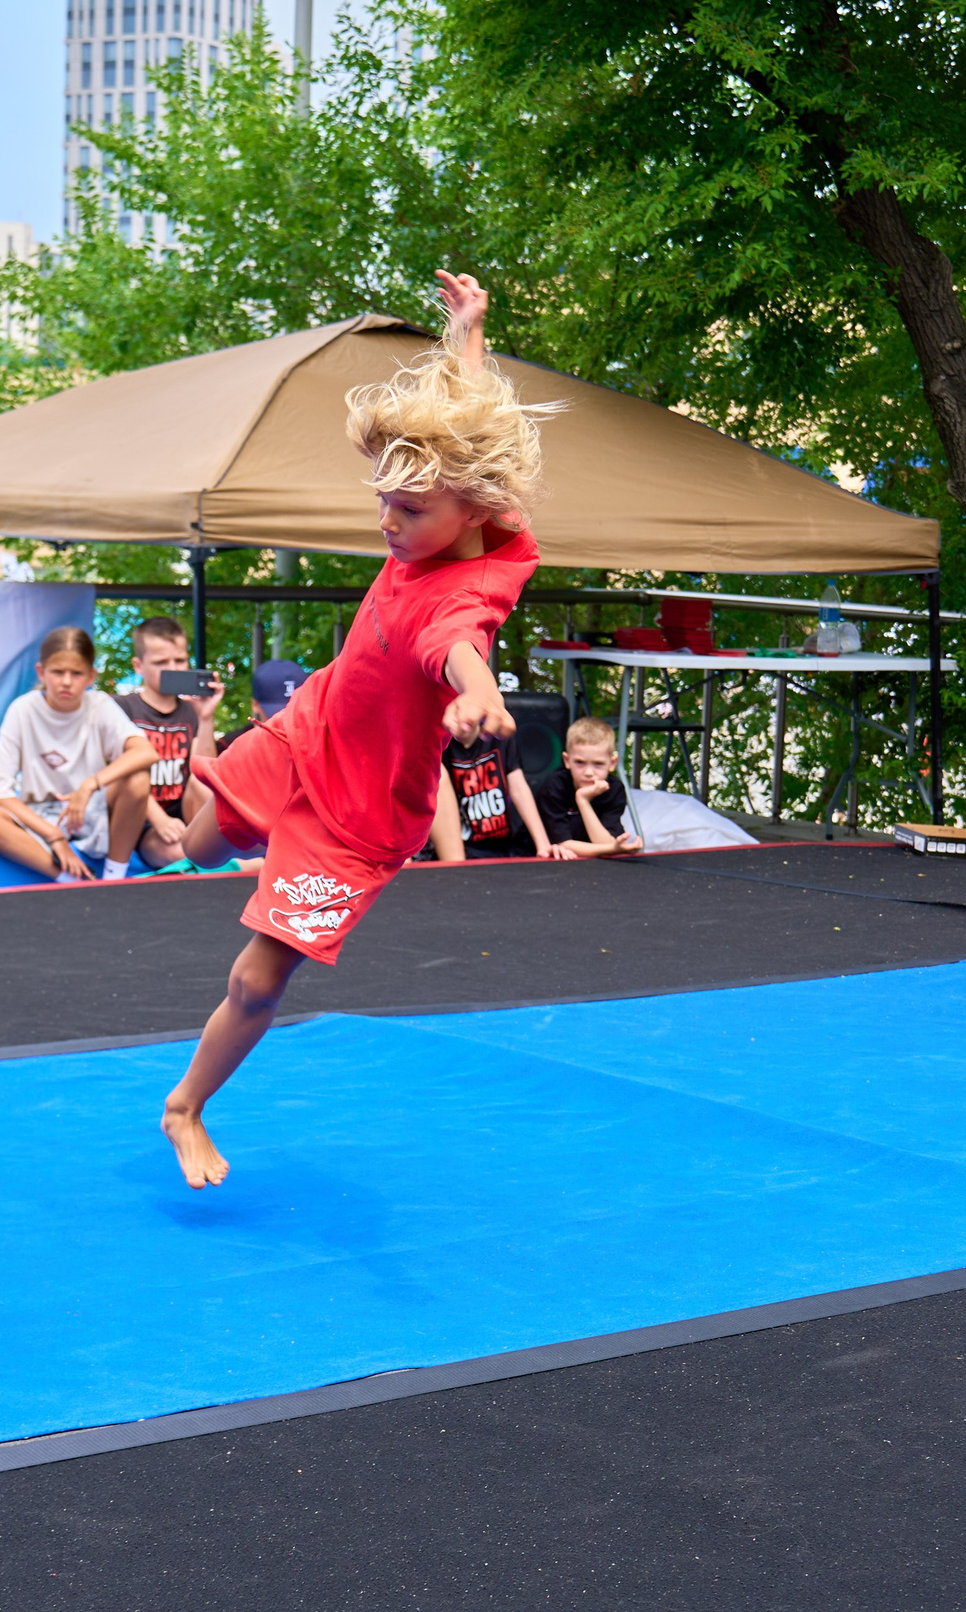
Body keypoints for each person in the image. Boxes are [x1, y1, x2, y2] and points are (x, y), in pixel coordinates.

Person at [161, 271, 558, 1189]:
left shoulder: (461, 598)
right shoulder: (462, 496)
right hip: (305, 731)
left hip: (357, 815)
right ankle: (192, 835)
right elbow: (469, 428)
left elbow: (461, 645)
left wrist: (478, 692)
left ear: (471, 508)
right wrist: (467, 335)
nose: (387, 522)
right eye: (381, 499)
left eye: (408, 510)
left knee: (259, 982)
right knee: (193, 839)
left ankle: (184, 1106)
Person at [0, 628, 156, 882]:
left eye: (76, 673)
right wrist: (52, 835)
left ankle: (115, 878)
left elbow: (145, 752)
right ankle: (67, 878)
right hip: (39, 817)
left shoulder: (99, 705)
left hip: (90, 811)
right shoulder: (22, 710)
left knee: (137, 780)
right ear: (41, 672)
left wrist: (90, 785)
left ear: (91, 676)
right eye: (58, 672)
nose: (66, 682)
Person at [112, 616, 221, 869]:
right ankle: (232, 864)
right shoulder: (122, 707)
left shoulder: (190, 711)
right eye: (162, 662)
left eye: (179, 660)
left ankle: (222, 850)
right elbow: (120, 776)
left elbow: (206, 771)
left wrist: (206, 718)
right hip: (143, 821)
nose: (173, 668)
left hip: (186, 814)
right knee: (178, 853)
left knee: (200, 781)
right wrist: (160, 820)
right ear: (138, 666)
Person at [428, 727, 554, 860]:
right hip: (465, 847)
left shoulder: (499, 735)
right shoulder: (441, 745)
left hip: (505, 845)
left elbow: (519, 788)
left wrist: (543, 844)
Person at [530, 716, 644, 859]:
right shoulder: (554, 786)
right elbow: (564, 844)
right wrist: (613, 848)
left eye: (598, 764)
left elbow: (605, 844)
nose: (588, 772)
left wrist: (583, 801)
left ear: (612, 763)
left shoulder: (615, 790)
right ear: (566, 760)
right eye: (580, 762)